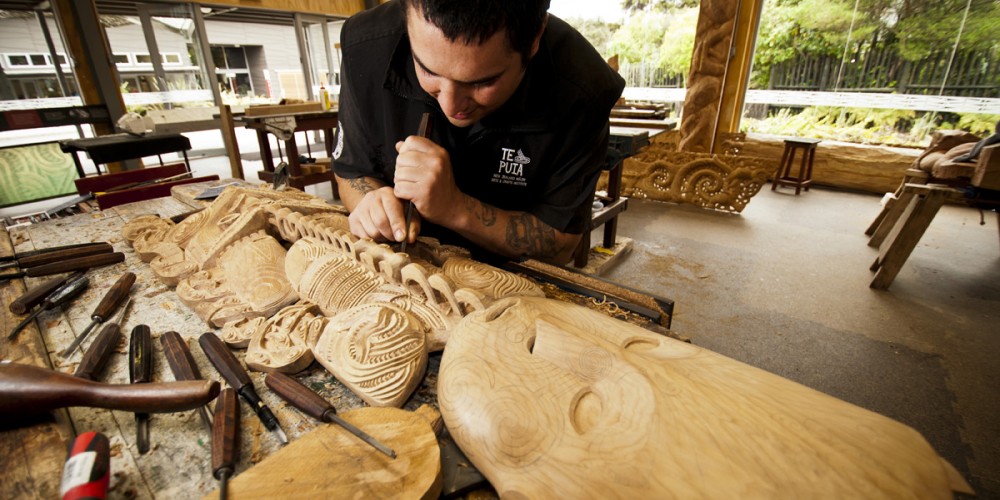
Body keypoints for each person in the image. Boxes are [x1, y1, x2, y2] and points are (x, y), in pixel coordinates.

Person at [332, 0, 625, 265]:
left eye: (481, 83)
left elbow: (561, 246)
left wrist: (454, 208)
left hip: (509, 279)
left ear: (534, 39)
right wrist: (370, 203)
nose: (451, 105)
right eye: (428, 70)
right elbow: (352, 170)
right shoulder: (366, 45)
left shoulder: (583, 90)